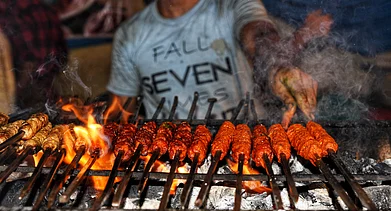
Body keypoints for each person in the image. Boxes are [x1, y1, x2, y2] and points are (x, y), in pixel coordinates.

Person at [106, 0, 332, 127]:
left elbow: (258, 34)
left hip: (248, 134)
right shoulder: (130, 34)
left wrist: (277, 67)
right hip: (171, 154)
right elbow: (121, 109)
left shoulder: (231, 6)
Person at [0, 0, 67, 110]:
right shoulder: (46, 9)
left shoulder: (12, 13)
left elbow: (30, 63)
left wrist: (16, 95)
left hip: (26, 101)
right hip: (51, 95)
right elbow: (62, 56)